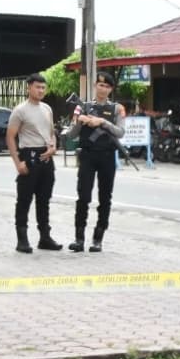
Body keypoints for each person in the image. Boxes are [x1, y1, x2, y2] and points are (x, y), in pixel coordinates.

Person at [65, 70, 127, 252]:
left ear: (111, 89)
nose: (103, 89)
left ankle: (98, 239)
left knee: (105, 198)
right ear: (95, 86)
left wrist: (102, 122)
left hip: (107, 156)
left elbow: (120, 132)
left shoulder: (117, 109)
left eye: (107, 86)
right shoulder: (82, 107)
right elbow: (71, 134)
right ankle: (79, 239)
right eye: (100, 85)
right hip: (87, 155)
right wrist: (81, 120)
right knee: (83, 196)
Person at [7, 73, 60, 253]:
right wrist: (18, 162)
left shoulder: (47, 108)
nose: (41, 91)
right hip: (28, 155)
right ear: (29, 87)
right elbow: (10, 137)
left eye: (43, 87)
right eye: (37, 87)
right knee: (24, 200)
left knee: (44, 200)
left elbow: (51, 132)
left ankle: (45, 237)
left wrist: (53, 146)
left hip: (46, 156)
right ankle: (22, 240)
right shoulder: (20, 110)